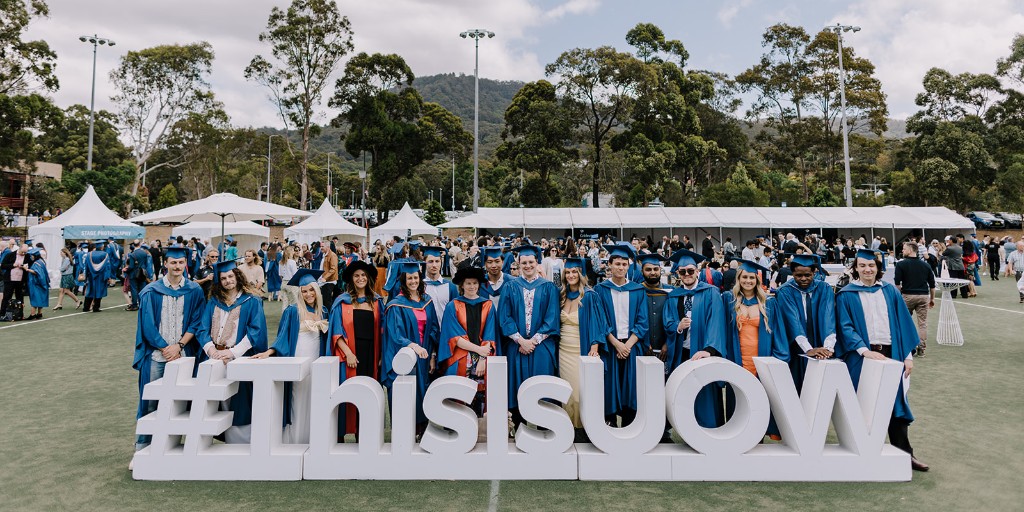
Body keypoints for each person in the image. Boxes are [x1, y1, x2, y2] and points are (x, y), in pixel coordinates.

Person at [835, 248, 927, 472]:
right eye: (863, 266)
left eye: (871, 266)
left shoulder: (890, 292)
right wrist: (864, 351)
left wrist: (907, 356)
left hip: (892, 354)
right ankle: (861, 455)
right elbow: (845, 327)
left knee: (896, 403)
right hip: (861, 356)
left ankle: (906, 455)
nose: (867, 269)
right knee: (861, 402)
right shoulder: (846, 294)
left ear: (878, 268)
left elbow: (902, 324)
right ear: (856, 268)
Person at [132, 247, 206, 458]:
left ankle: (173, 448)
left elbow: (197, 321)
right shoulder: (151, 291)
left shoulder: (194, 290)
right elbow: (147, 325)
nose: (177, 266)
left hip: (183, 355)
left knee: (181, 403)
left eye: (181, 262)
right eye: (173, 262)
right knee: (150, 402)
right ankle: (142, 449)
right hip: (157, 356)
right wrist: (166, 347)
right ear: (165, 264)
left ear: (186, 264)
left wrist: (179, 346)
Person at [252, 269, 329, 444]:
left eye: (311, 290)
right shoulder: (293, 311)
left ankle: (313, 440)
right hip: (298, 359)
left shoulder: (323, 311)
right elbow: (282, 337)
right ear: (300, 293)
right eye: (304, 291)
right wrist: (269, 352)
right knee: (297, 396)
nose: (308, 294)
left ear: (317, 290)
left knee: (314, 397)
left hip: (317, 360)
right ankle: (295, 440)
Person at [197, 260, 268, 444]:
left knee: (239, 400)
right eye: (223, 278)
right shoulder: (214, 302)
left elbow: (255, 332)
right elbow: (202, 329)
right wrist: (211, 350)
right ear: (219, 282)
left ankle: (242, 443)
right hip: (214, 358)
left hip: (237, 359)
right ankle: (221, 439)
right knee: (217, 401)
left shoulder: (251, 301)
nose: (228, 280)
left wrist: (233, 353)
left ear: (237, 276)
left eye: (230, 276)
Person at [662, 249, 727, 428]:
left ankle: (708, 428)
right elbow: (667, 323)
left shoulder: (711, 292)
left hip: (702, 352)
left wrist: (709, 349)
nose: (687, 275)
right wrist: (677, 326)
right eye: (682, 272)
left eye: (690, 270)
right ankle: (687, 431)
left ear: (697, 271)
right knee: (684, 394)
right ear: (678, 274)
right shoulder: (673, 295)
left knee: (704, 393)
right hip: (682, 353)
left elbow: (716, 322)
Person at [722, 259, 787, 438]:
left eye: (752, 277)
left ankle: (759, 435)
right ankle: (738, 435)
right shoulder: (729, 300)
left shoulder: (769, 303)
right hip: (738, 358)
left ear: (757, 280)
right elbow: (724, 331)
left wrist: (779, 358)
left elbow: (778, 332)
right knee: (740, 399)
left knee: (761, 400)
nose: (748, 281)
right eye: (744, 277)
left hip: (761, 358)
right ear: (739, 278)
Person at [498, 245, 561, 429]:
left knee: (542, 387)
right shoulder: (510, 287)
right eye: (523, 262)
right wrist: (520, 340)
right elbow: (505, 316)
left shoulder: (549, 287)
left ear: (537, 263)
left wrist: (533, 341)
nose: (527, 265)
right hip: (516, 345)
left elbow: (552, 317)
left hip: (541, 346)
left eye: (531, 262)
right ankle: (519, 427)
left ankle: (545, 428)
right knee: (518, 387)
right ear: (518, 264)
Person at [327, 260, 384, 440]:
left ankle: (364, 435)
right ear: (351, 279)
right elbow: (337, 331)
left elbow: (382, 330)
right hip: (350, 356)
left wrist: (381, 355)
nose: (360, 278)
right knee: (348, 393)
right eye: (357, 275)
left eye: (363, 275)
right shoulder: (342, 302)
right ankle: (341, 435)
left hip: (370, 355)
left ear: (368, 278)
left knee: (367, 393)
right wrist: (349, 353)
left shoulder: (376, 301)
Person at [381, 261, 439, 435]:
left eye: (415, 277)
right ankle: (405, 433)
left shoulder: (427, 301)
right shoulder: (396, 304)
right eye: (409, 278)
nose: (413, 281)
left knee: (423, 392)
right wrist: (414, 346)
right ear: (403, 280)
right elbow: (395, 334)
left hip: (425, 357)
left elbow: (434, 328)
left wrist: (433, 355)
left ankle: (422, 432)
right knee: (406, 394)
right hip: (406, 358)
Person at [595, 243, 649, 427]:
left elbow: (643, 322)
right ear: (609, 265)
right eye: (617, 264)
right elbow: (600, 321)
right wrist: (616, 344)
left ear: (629, 266)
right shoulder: (601, 289)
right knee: (609, 385)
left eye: (624, 264)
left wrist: (628, 345)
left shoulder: (637, 290)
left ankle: (629, 424)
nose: (621, 268)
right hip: (610, 346)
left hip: (632, 346)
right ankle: (608, 422)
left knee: (631, 386)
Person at [438, 267, 498, 416]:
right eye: (468, 283)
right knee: (458, 395)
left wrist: (483, 359)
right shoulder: (453, 306)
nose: (472, 287)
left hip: (484, 358)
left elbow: (490, 334)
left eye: (475, 283)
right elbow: (455, 338)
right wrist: (479, 351)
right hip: (460, 357)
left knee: (483, 396)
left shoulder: (488, 305)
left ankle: (481, 428)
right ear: (462, 285)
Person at [772, 254, 837, 391]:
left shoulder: (824, 288)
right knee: (798, 386)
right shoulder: (785, 291)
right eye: (798, 275)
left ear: (814, 272)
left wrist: (828, 348)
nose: (803, 279)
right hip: (796, 345)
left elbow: (828, 317)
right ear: (793, 273)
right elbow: (793, 321)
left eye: (807, 275)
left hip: (820, 340)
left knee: (821, 387)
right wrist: (808, 349)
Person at [557, 257, 605, 441]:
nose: (570, 275)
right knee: (566, 392)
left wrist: (594, 347)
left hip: (581, 347)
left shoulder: (589, 296)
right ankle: (568, 429)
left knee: (579, 393)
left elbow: (596, 323)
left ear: (581, 274)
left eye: (574, 272)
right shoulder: (561, 295)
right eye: (567, 272)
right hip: (563, 350)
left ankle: (582, 428)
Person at [894, 242, 935, 357]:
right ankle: (921, 348)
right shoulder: (926, 265)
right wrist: (932, 299)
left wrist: (900, 294)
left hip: (908, 295)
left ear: (911, 250)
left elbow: (897, 284)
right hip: (923, 296)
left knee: (905, 321)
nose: (902, 251)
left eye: (904, 249)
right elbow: (932, 285)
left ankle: (909, 347)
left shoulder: (901, 265)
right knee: (922, 324)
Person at [82, 240, 115, 312]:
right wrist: (108, 277)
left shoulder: (89, 254)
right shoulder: (105, 254)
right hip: (101, 276)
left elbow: (86, 266)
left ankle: (86, 307)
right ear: (102, 247)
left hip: (91, 276)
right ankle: (96, 307)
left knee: (90, 290)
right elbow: (107, 267)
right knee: (99, 291)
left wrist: (86, 276)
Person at [125, 242, 155, 311]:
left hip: (133, 274)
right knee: (142, 289)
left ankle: (135, 305)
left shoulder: (132, 254)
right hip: (142, 273)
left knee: (134, 289)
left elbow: (131, 266)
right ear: (139, 244)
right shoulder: (144, 253)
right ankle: (143, 304)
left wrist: (126, 270)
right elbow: (147, 264)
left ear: (133, 245)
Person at [54, 246, 82, 311]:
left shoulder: (66, 259)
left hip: (67, 276)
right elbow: (63, 268)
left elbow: (63, 268)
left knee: (66, 291)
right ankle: (59, 304)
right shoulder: (64, 259)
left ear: (64, 253)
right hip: (65, 276)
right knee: (61, 290)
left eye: (61, 252)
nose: (60, 253)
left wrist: (60, 269)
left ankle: (77, 301)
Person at [24, 248, 49, 320]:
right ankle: (39, 313)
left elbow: (37, 272)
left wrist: (27, 269)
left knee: (35, 298)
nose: (31, 257)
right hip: (41, 284)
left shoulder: (36, 263)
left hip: (36, 283)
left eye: (32, 256)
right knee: (40, 298)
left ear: (35, 256)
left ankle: (32, 314)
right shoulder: (41, 261)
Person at [279, 245, 299, 311]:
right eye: (293, 251)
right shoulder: (292, 262)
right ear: (290, 252)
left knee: (285, 303)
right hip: (291, 283)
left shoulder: (281, 262)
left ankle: (284, 318)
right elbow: (295, 275)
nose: (294, 252)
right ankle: (293, 317)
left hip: (284, 283)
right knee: (294, 302)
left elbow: (280, 275)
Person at [319, 240, 339, 307]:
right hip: (324, 281)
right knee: (323, 301)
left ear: (328, 247)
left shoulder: (332, 255)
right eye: (320, 246)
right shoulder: (324, 254)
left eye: (322, 246)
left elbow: (333, 269)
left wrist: (325, 278)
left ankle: (329, 316)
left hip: (329, 281)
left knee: (327, 301)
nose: (321, 248)